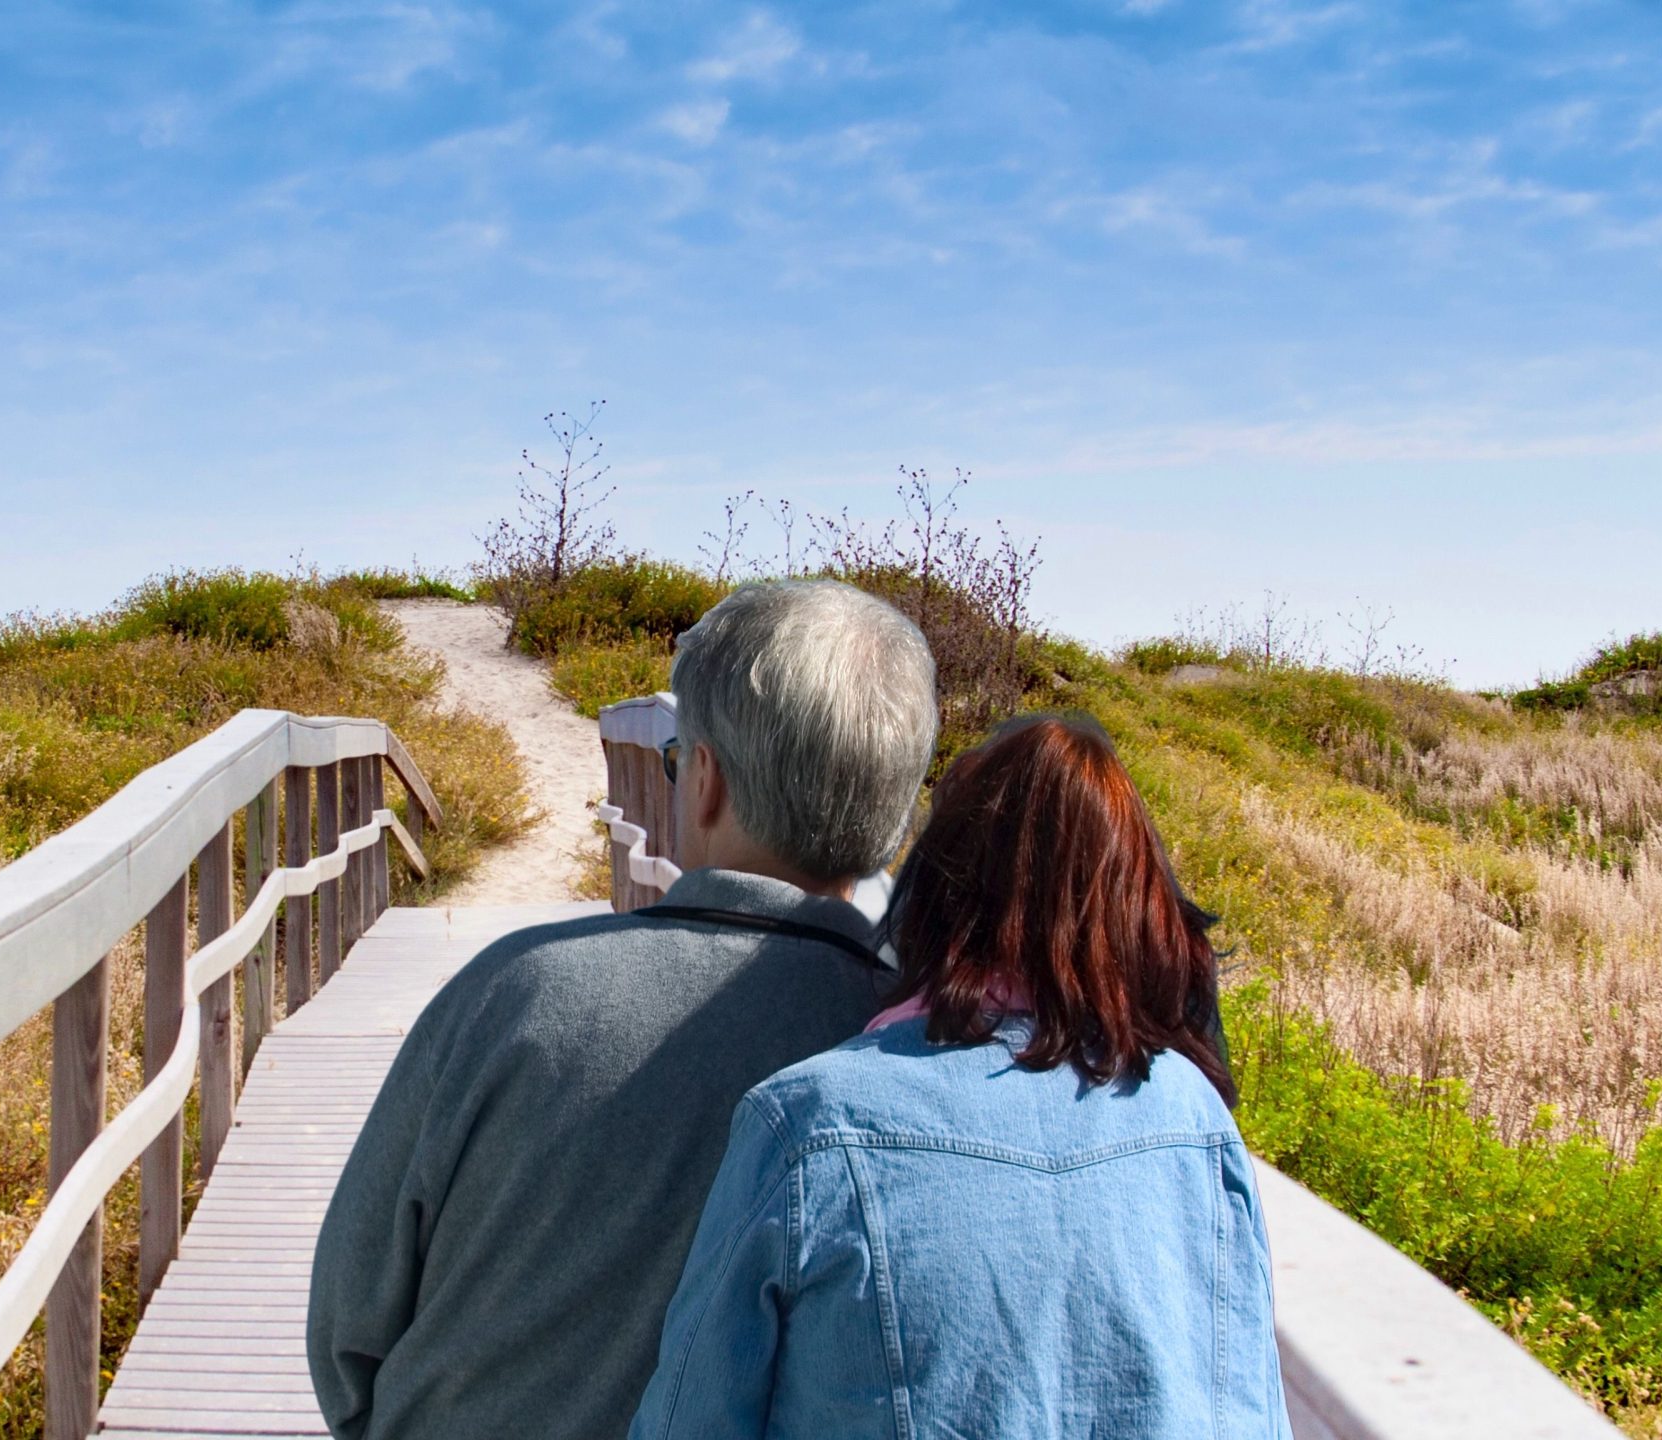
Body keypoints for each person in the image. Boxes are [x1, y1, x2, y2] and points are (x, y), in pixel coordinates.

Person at [306, 580, 940, 1440]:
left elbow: (348, 1328)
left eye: (677, 760)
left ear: (706, 780)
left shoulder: (514, 993)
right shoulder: (917, 1049)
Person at [628, 712, 1292, 1439]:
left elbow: (691, 1418)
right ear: (1140, 911)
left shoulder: (809, 1124)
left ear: (936, 893)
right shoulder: (1196, 1121)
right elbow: (1250, 1408)